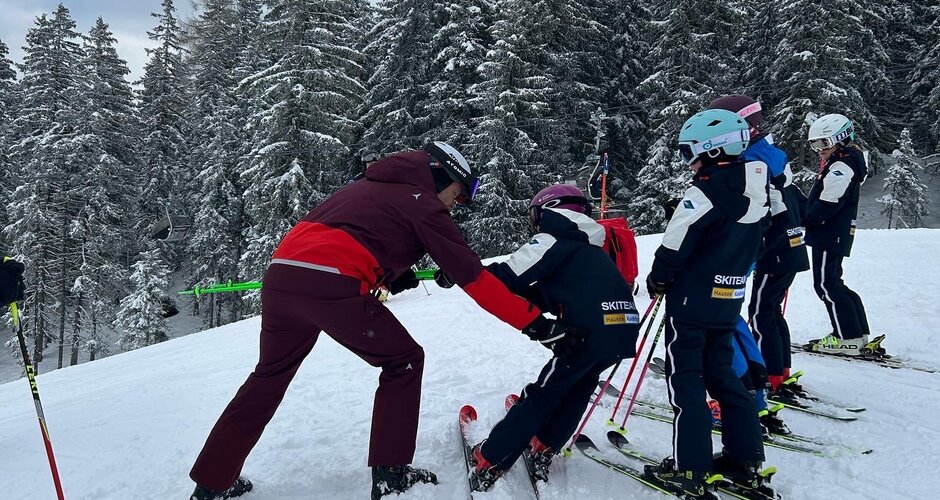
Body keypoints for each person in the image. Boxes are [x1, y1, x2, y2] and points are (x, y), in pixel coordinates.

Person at [188, 142, 584, 500]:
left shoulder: (364, 186)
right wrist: (537, 325)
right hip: (330, 282)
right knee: (404, 361)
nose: (455, 205)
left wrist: (391, 274)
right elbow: (474, 278)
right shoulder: (423, 200)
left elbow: (357, 234)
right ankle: (391, 475)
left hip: (282, 277)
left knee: (268, 376)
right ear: (441, 175)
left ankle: (212, 482)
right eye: (459, 195)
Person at [463, 184, 640, 490]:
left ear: (549, 210)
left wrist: (462, 271)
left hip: (588, 333)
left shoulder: (554, 236)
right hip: (621, 328)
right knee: (578, 387)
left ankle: (489, 458)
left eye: (535, 215)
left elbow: (506, 275)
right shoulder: (588, 246)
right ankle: (545, 443)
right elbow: (548, 294)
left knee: (543, 394)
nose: (535, 223)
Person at [644, 109, 768, 499]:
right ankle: (744, 460)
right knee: (724, 378)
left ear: (712, 150)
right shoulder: (761, 186)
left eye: (690, 153)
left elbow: (676, 242)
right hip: (728, 299)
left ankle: (691, 468)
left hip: (691, 302)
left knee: (686, 382)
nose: (689, 163)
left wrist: (659, 278)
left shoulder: (705, 191)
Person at [708, 95, 810, 396]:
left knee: (759, 313)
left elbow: (761, 211)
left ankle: (769, 375)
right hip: (786, 245)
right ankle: (779, 370)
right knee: (768, 311)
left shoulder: (752, 161)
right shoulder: (771, 154)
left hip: (772, 249)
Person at [802, 114, 873, 355]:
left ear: (841, 139)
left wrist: (807, 218)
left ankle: (847, 337)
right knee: (834, 282)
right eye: (814, 145)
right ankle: (858, 333)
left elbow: (830, 201)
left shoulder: (842, 164)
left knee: (825, 284)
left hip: (829, 232)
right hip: (835, 232)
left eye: (823, 144)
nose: (818, 150)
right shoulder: (847, 159)